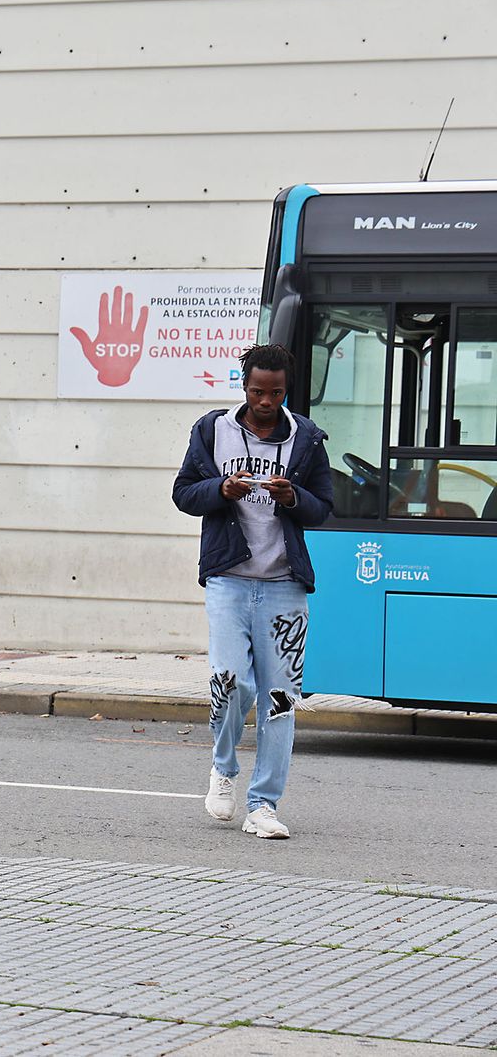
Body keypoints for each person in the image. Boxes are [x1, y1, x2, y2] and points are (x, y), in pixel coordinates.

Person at [172, 344, 333, 840]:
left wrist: (294, 497)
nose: (266, 401)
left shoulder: (306, 438)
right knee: (231, 681)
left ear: (287, 390)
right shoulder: (212, 431)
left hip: (285, 586)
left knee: (280, 700)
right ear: (244, 386)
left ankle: (263, 806)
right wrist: (222, 489)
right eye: (258, 391)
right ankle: (224, 768)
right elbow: (183, 493)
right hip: (229, 579)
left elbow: (324, 507)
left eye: (276, 393)